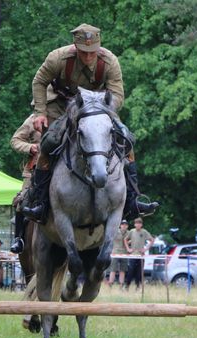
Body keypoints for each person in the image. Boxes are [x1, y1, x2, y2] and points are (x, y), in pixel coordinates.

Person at [22, 23, 159, 223]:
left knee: (126, 139)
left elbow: (118, 96)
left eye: (92, 52)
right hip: (60, 105)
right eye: (84, 52)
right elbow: (39, 81)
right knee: (49, 143)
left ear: (99, 47)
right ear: (75, 47)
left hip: (97, 109)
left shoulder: (110, 61)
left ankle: (132, 200)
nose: (88, 57)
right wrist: (40, 113)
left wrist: (97, 108)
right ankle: (40, 202)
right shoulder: (58, 58)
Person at [9, 114, 41, 253]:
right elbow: (15, 140)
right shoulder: (34, 118)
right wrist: (30, 147)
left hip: (65, 169)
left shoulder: (70, 113)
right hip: (35, 170)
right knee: (23, 200)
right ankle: (19, 239)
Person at [124, 218, 154, 290]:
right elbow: (125, 239)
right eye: (136, 223)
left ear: (141, 225)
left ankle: (138, 287)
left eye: (139, 223)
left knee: (139, 272)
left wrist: (146, 249)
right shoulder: (132, 231)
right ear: (134, 224)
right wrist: (128, 249)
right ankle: (127, 286)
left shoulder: (144, 232)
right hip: (133, 255)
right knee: (130, 271)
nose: (138, 225)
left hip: (141, 256)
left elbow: (152, 240)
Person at [107, 220, 129, 288]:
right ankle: (110, 284)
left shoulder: (129, 233)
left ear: (127, 226)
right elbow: (110, 239)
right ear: (120, 225)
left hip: (124, 253)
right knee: (113, 269)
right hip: (115, 252)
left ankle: (121, 285)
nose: (124, 225)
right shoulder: (115, 231)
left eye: (125, 224)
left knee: (123, 270)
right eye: (122, 224)